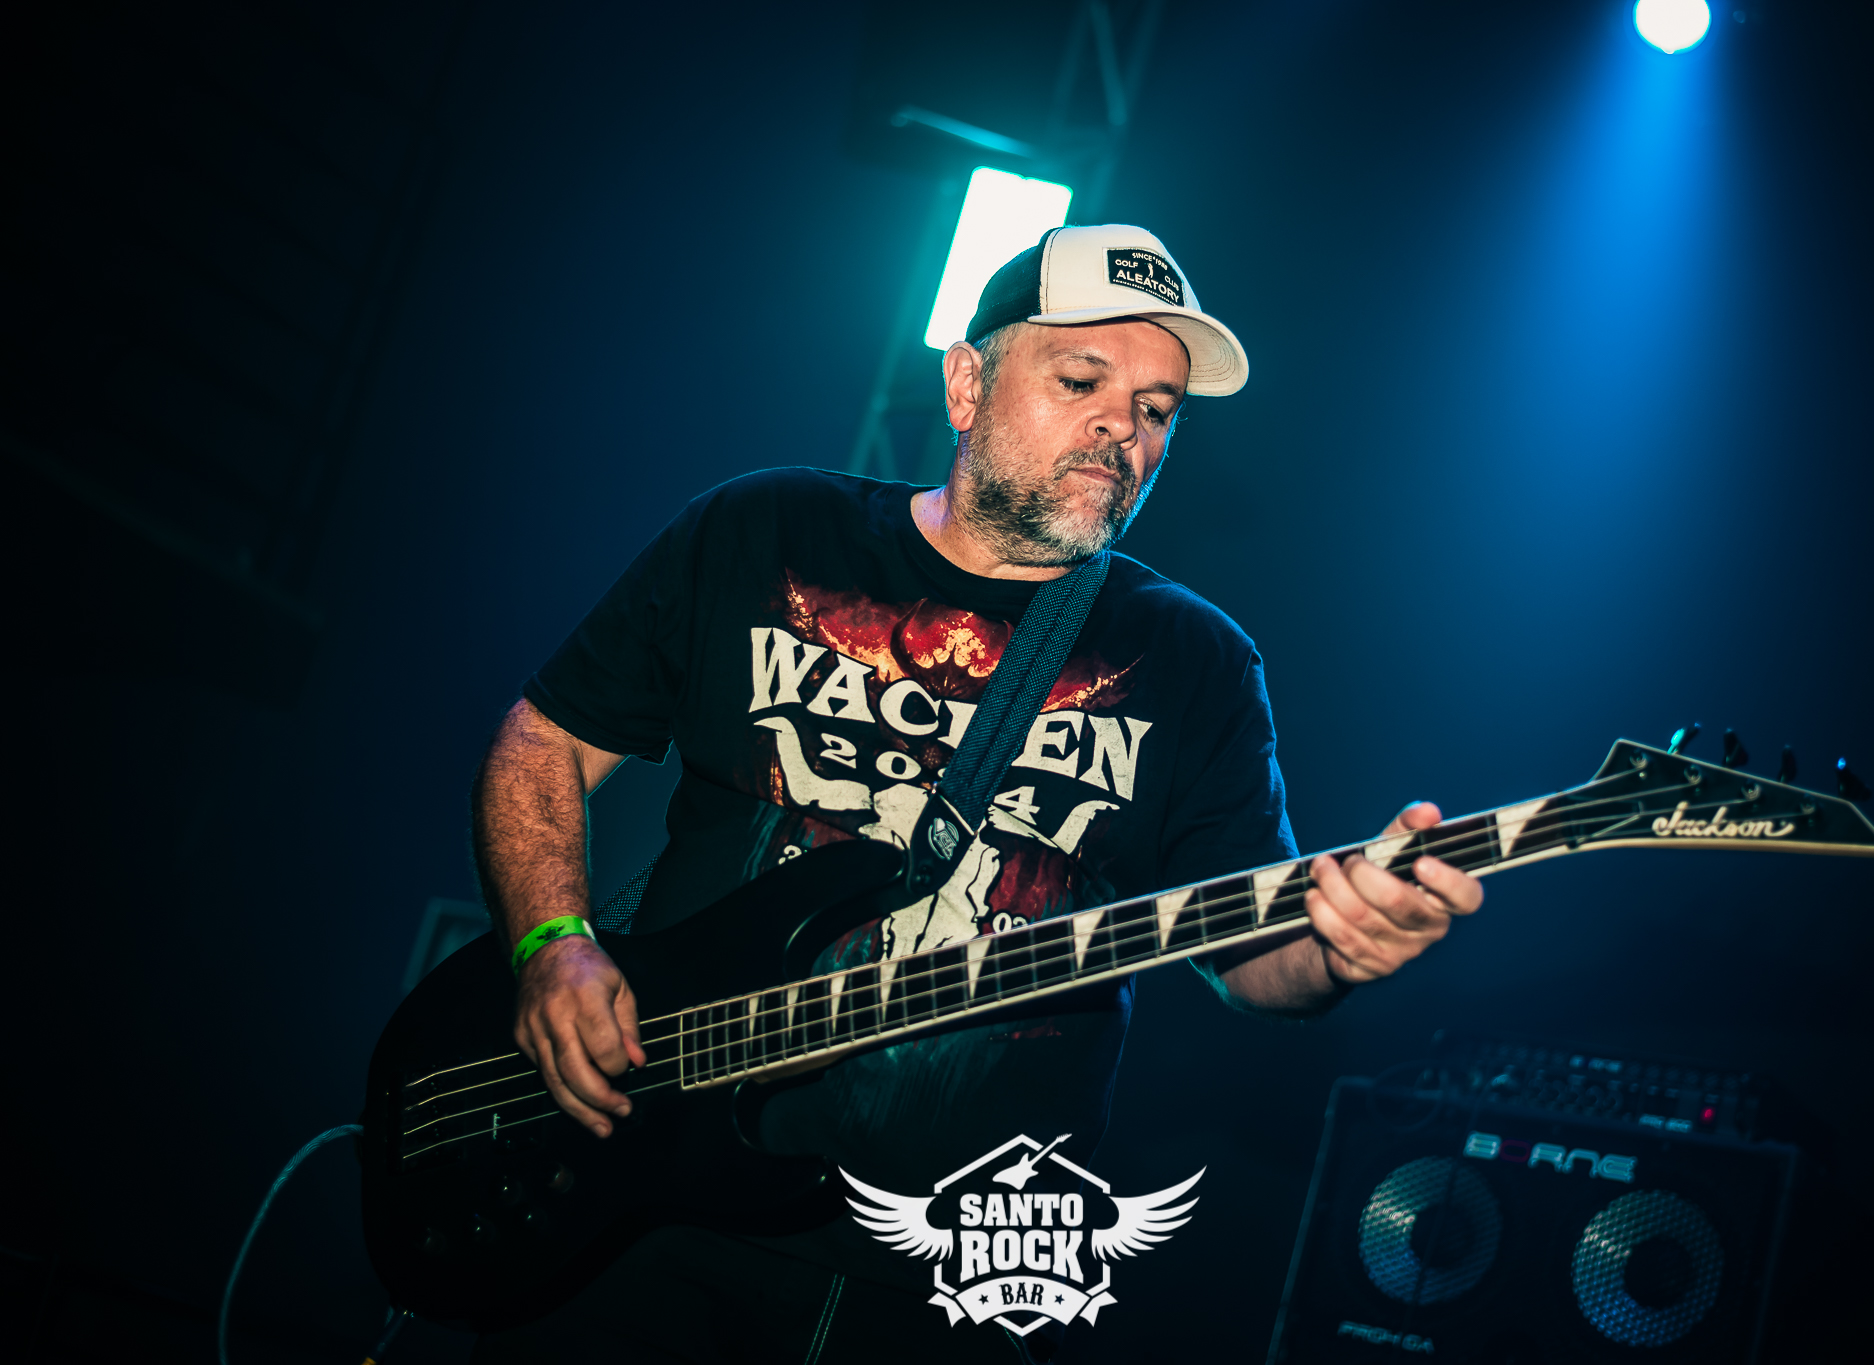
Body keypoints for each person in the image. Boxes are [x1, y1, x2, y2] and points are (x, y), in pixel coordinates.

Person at [467, 225, 1483, 1363]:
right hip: (640, 1205)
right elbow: (543, 742)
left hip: (965, 1278)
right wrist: (551, 943)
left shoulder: (1193, 662)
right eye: (1081, 381)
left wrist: (1339, 944)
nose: (1123, 427)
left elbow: (1252, 956)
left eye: (1155, 409)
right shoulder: (766, 530)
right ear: (964, 383)